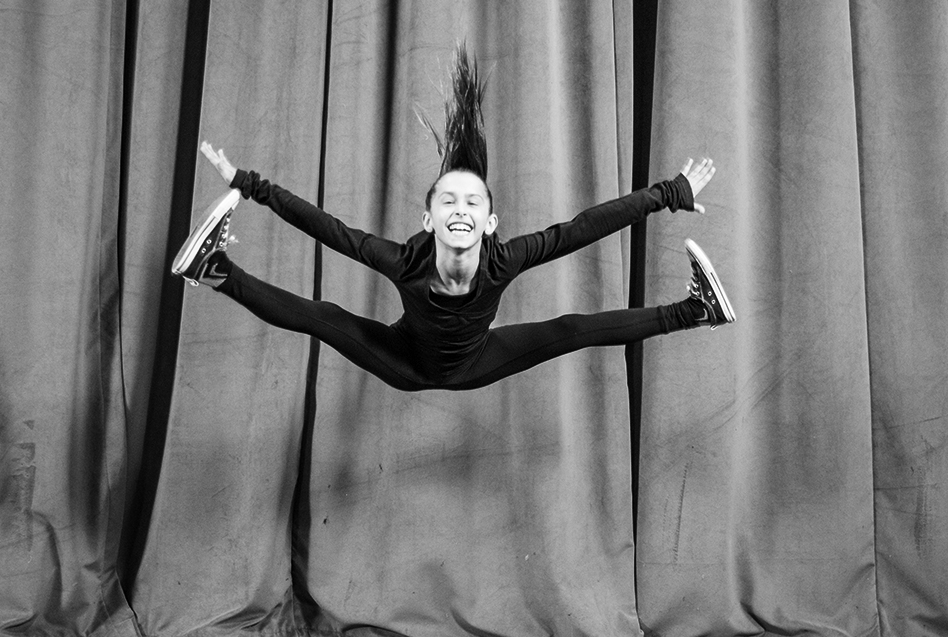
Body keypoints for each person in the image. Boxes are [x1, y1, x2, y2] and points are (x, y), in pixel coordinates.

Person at [171, 44, 734, 392]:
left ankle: (696, 311)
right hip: (403, 362)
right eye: (448, 201)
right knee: (323, 315)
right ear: (428, 217)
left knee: (572, 330)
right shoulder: (403, 259)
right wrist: (251, 186)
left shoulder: (505, 259)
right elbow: (327, 228)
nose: (461, 210)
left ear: (491, 221)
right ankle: (213, 267)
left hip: (475, 363)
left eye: (473, 202)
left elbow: (585, 227)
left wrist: (668, 193)